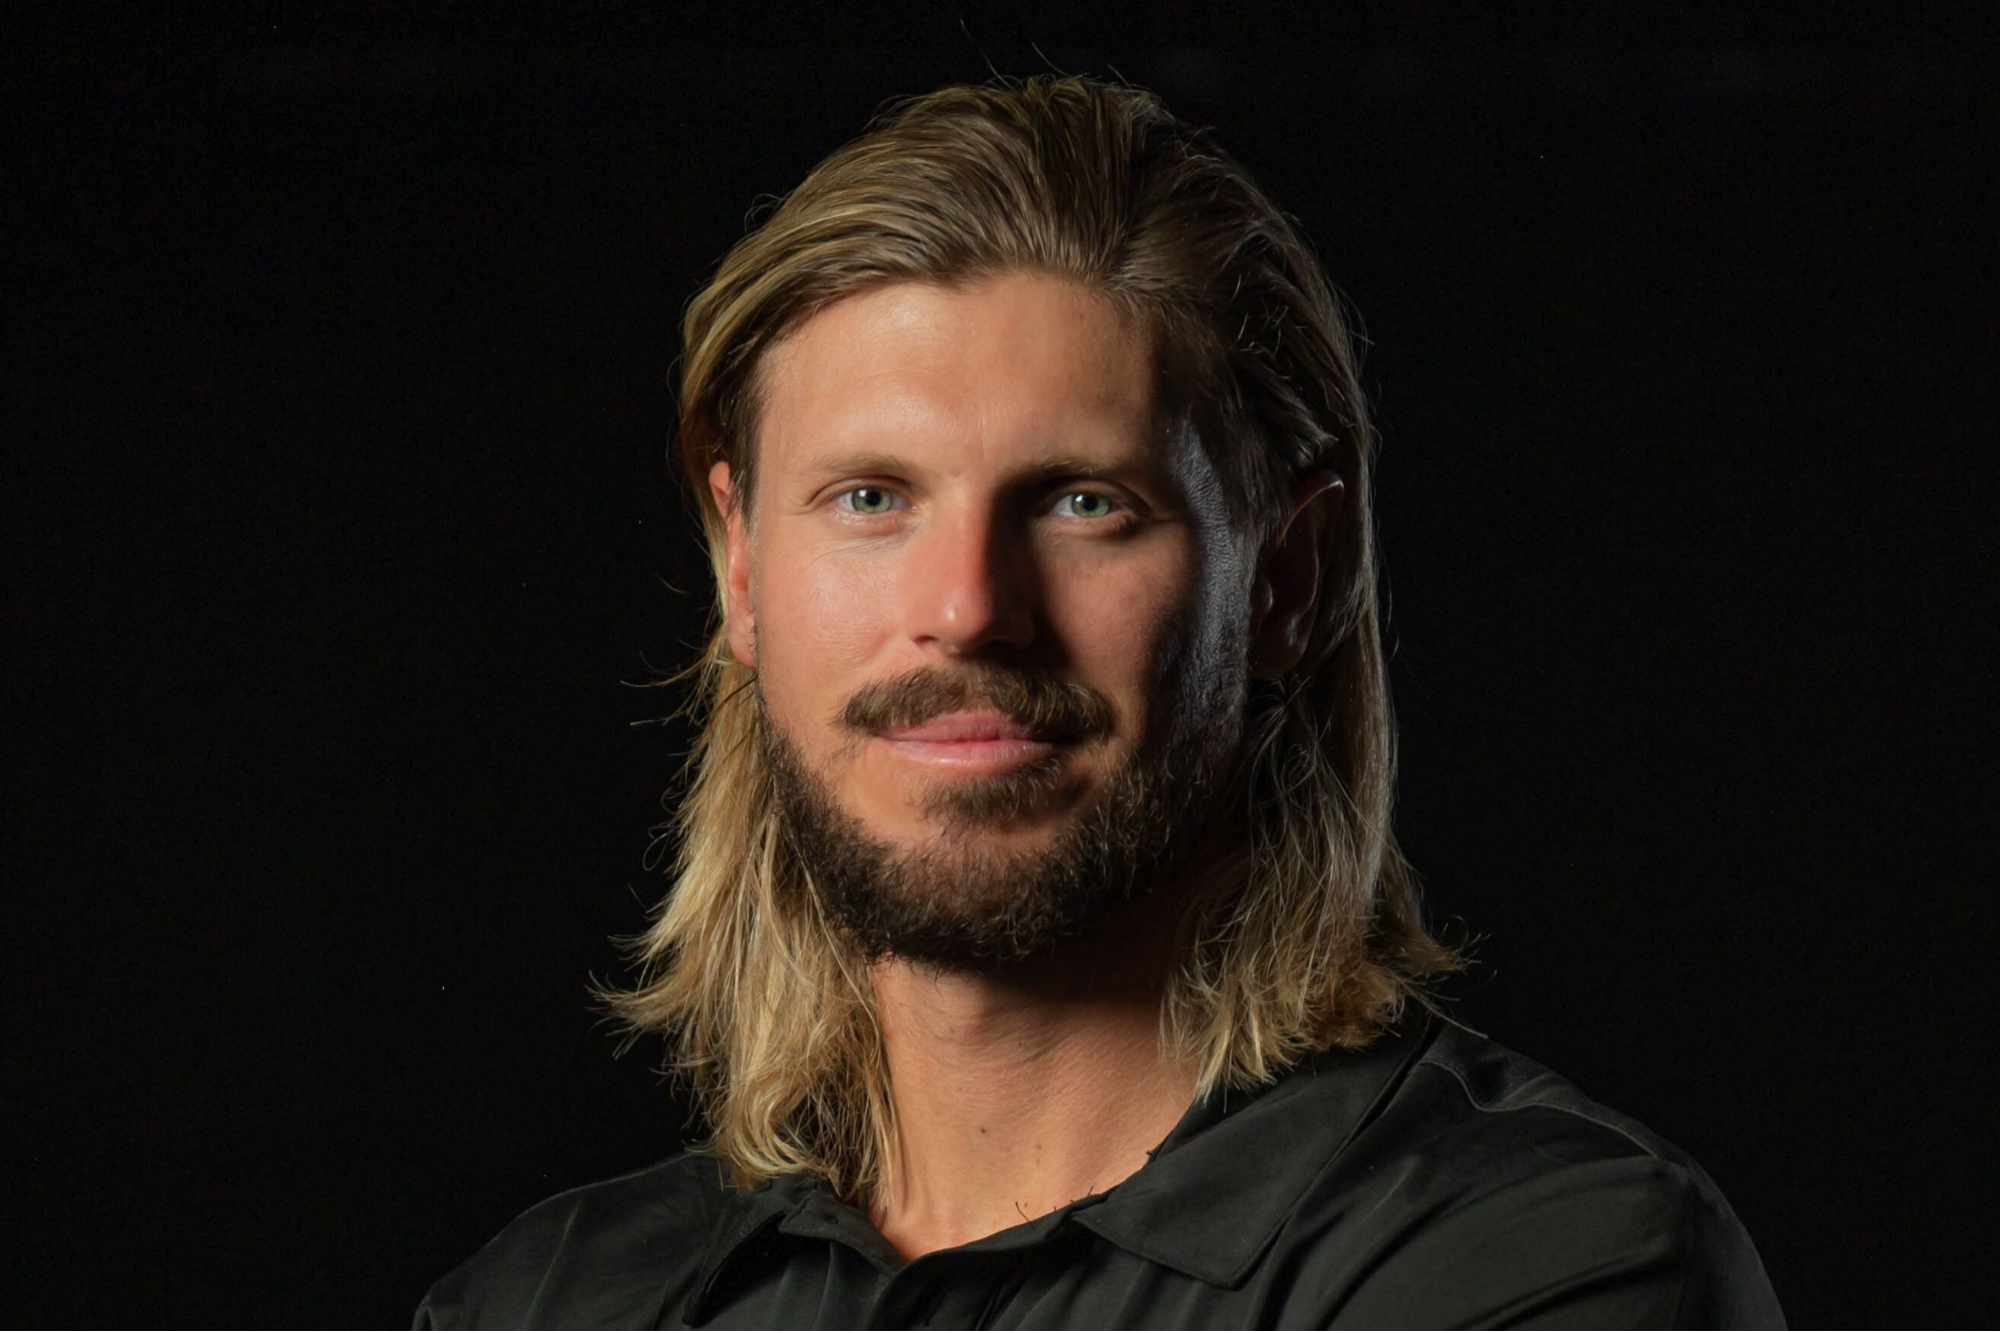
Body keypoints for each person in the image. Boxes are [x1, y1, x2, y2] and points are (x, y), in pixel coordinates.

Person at [415, 75, 1784, 1330]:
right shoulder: (542, 1303)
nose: (968, 608)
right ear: (741, 566)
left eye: (1084, 503)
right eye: (871, 497)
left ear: (1285, 579)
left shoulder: (1544, 1260)